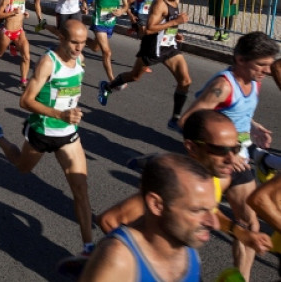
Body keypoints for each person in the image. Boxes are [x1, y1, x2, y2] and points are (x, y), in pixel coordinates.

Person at [99, 111, 272, 281]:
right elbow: (110, 219)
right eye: (220, 150)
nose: (231, 158)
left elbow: (209, 211)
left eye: (235, 148)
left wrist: (240, 232)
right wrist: (145, 268)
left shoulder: (217, 179)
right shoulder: (175, 185)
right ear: (192, 147)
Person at [0, 19, 94, 254]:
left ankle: (88, 247)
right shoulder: (48, 62)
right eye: (74, 42)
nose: (79, 48)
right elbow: (24, 101)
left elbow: (68, 93)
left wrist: (67, 115)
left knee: (80, 190)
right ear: (61, 39)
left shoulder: (80, 60)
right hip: (42, 130)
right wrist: (59, 113)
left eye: (83, 43)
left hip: (68, 134)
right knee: (22, 167)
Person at [178, 32, 279, 279]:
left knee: (250, 225)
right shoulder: (223, 86)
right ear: (241, 59)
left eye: (268, 64)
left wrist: (252, 127)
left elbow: (235, 112)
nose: (267, 70)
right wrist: (224, 150)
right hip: (214, 164)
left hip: (240, 160)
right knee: (196, 225)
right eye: (261, 65)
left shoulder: (254, 81)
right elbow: (187, 121)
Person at [79, 154, 218, 282]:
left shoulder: (187, 246)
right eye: (197, 210)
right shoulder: (119, 259)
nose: (214, 224)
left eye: (212, 209)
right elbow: (107, 219)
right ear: (156, 205)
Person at [98, 0, 192, 131]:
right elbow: (149, 28)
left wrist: (175, 32)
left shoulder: (175, 0)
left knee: (185, 81)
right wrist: (175, 22)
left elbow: (168, 22)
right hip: (152, 47)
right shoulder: (159, 3)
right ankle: (108, 87)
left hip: (169, 46)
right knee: (135, 76)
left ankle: (175, 118)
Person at [85, 0, 129, 82]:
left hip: (110, 23)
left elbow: (126, 5)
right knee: (107, 52)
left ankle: (81, 39)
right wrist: (85, 4)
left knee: (95, 48)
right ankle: (112, 80)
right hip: (99, 23)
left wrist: (122, 11)